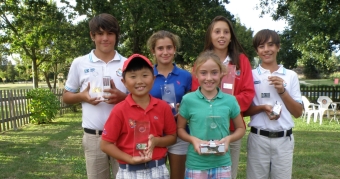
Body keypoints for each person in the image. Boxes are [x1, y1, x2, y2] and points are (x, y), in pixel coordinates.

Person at [62, 13, 127, 179]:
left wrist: (123, 97)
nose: (105, 38)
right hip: (93, 137)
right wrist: (82, 96)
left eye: (110, 33)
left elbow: (140, 99)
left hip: (124, 135)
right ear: (92, 36)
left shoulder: (127, 63)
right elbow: (66, 96)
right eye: (100, 33)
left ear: (116, 36)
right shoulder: (80, 63)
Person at [191, 15, 255, 179]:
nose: (222, 36)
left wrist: (224, 107)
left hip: (231, 130)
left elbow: (248, 94)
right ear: (210, 36)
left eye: (226, 32)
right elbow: (194, 94)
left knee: (227, 175)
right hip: (203, 131)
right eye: (217, 31)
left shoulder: (241, 61)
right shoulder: (201, 61)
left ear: (231, 36)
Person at [101, 54, 177, 179]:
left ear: (153, 78)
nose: (140, 81)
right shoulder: (119, 110)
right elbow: (105, 145)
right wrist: (130, 159)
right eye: (133, 76)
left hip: (158, 169)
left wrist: (157, 141)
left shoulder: (163, 107)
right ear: (124, 82)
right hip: (129, 171)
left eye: (145, 75)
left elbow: (172, 137)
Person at [177, 51, 246, 179]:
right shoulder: (188, 100)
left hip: (222, 164)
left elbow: (241, 128)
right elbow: (180, 128)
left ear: (221, 74)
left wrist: (228, 139)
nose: (209, 78)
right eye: (203, 73)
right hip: (196, 164)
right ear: (196, 74)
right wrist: (193, 140)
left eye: (214, 72)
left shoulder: (230, 100)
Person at [245, 29, 303, 179]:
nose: (266, 50)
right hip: (258, 139)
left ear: (278, 47)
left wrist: (282, 91)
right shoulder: (251, 75)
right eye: (261, 46)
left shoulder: (291, 75)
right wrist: (262, 107)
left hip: (284, 140)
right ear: (257, 51)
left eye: (270, 45)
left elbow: (298, 112)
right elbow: (243, 111)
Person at [147, 30, 192, 179]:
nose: (165, 52)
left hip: (179, 132)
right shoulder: (147, 75)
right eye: (160, 48)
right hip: (154, 133)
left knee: (177, 176)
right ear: (153, 51)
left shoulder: (186, 76)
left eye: (169, 47)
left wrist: (184, 111)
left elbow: (194, 103)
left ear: (174, 49)